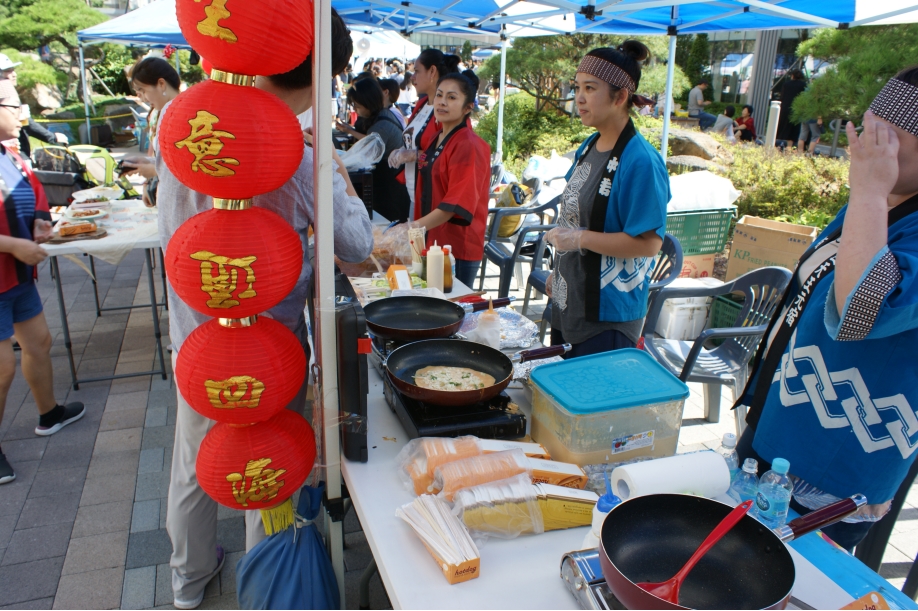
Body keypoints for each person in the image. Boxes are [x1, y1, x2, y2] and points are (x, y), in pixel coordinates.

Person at [159, 11, 373, 609]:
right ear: (322, 71)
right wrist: (336, 172)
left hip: (195, 341)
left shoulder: (184, 126)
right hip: (265, 352)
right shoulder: (297, 154)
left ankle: (186, 579)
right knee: (262, 466)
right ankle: (266, 580)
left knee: (193, 458)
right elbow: (355, 244)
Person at [732, 67, 918, 552]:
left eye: (887, 140)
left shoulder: (877, 199)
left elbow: (862, 311)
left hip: (835, 465)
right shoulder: (875, 202)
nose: (865, 151)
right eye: (866, 130)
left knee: (785, 582)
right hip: (779, 427)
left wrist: (871, 192)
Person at [543, 42, 669, 359]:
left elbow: (648, 244)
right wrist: (560, 273)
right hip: (568, 298)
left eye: (590, 88)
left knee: (590, 403)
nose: (580, 97)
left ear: (620, 96)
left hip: (607, 315)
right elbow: (574, 213)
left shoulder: (641, 160)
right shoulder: (590, 144)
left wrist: (580, 238)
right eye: (577, 87)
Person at [0, 80, 85, 485]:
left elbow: (30, 196)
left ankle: (48, 412)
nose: (23, 116)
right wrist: (14, 245)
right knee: (2, 368)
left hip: (16, 276)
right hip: (5, 271)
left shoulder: (9, 154)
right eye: (14, 107)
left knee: (39, 342)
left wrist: (38, 221)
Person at [408, 70, 490, 287]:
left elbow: (455, 204)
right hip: (433, 239)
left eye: (452, 97)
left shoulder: (469, 145)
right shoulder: (438, 137)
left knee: (452, 312)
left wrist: (411, 228)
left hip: (456, 247)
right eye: (440, 95)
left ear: (468, 107)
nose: (442, 102)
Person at [388, 50, 461, 221]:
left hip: (432, 198)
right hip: (415, 193)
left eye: (417, 71)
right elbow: (414, 141)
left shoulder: (444, 110)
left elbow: (444, 157)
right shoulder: (421, 104)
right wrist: (402, 151)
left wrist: (413, 155)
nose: (413, 77)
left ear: (432, 72)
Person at [337, 77, 410, 221]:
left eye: (357, 106)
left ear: (368, 103)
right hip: (387, 186)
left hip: (391, 192)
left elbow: (363, 157)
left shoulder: (382, 126)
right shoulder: (381, 116)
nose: (356, 110)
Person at [120, 58, 182, 207]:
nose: (143, 98)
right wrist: (147, 163)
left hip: (183, 204)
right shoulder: (162, 112)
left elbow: (189, 169)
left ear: (161, 84)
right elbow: (167, 160)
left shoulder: (185, 115)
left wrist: (154, 170)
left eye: (143, 90)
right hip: (170, 201)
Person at [0, 53, 65, 155]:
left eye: (13, 70)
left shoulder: (9, 93)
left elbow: (25, 122)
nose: (14, 74)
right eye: (8, 71)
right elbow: (27, 123)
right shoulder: (5, 96)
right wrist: (51, 136)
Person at [778, 69, 806, 147]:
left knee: (783, 127)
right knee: (793, 129)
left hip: (785, 108)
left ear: (792, 75)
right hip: (796, 109)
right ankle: (789, 146)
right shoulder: (803, 85)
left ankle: (779, 144)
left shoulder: (786, 84)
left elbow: (782, 96)